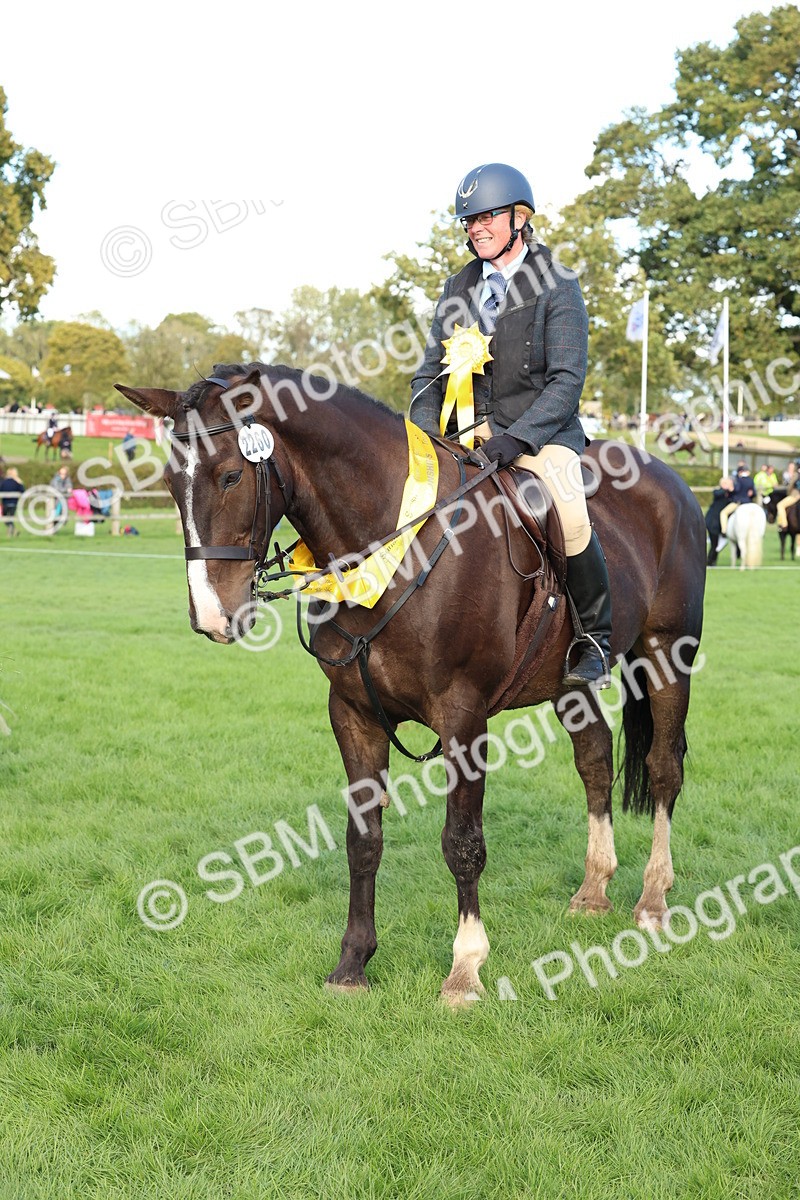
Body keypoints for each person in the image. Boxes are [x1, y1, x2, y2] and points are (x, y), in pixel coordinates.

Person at [410, 162, 610, 688]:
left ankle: (594, 641)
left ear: (520, 218)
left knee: (568, 508)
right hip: (462, 437)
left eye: (486, 218)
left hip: (538, 436)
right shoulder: (460, 284)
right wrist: (426, 436)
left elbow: (567, 381)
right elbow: (429, 373)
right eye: (468, 221)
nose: (476, 228)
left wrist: (515, 439)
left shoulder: (556, 283)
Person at [719, 464, 755, 535]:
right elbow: (753, 493)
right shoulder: (751, 480)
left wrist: (730, 488)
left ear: (740, 472)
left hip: (738, 502)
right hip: (748, 502)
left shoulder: (739, 480)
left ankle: (724, 530)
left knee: (723, 513)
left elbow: (736, 489)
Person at [0, 467, 24, 536]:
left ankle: (11, 531)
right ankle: (13, 531)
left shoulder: (4, 482)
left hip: (5, 503)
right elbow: (22, 491)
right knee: (11, 518)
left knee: (5, 518)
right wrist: (20, 482)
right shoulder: (17, 482)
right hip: (14, 503)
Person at [777, 459, 800, 530]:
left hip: (795, 495)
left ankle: (784, 524)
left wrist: (788, 493)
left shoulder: (796, 474)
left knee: (780, 505)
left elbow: (790, 485)